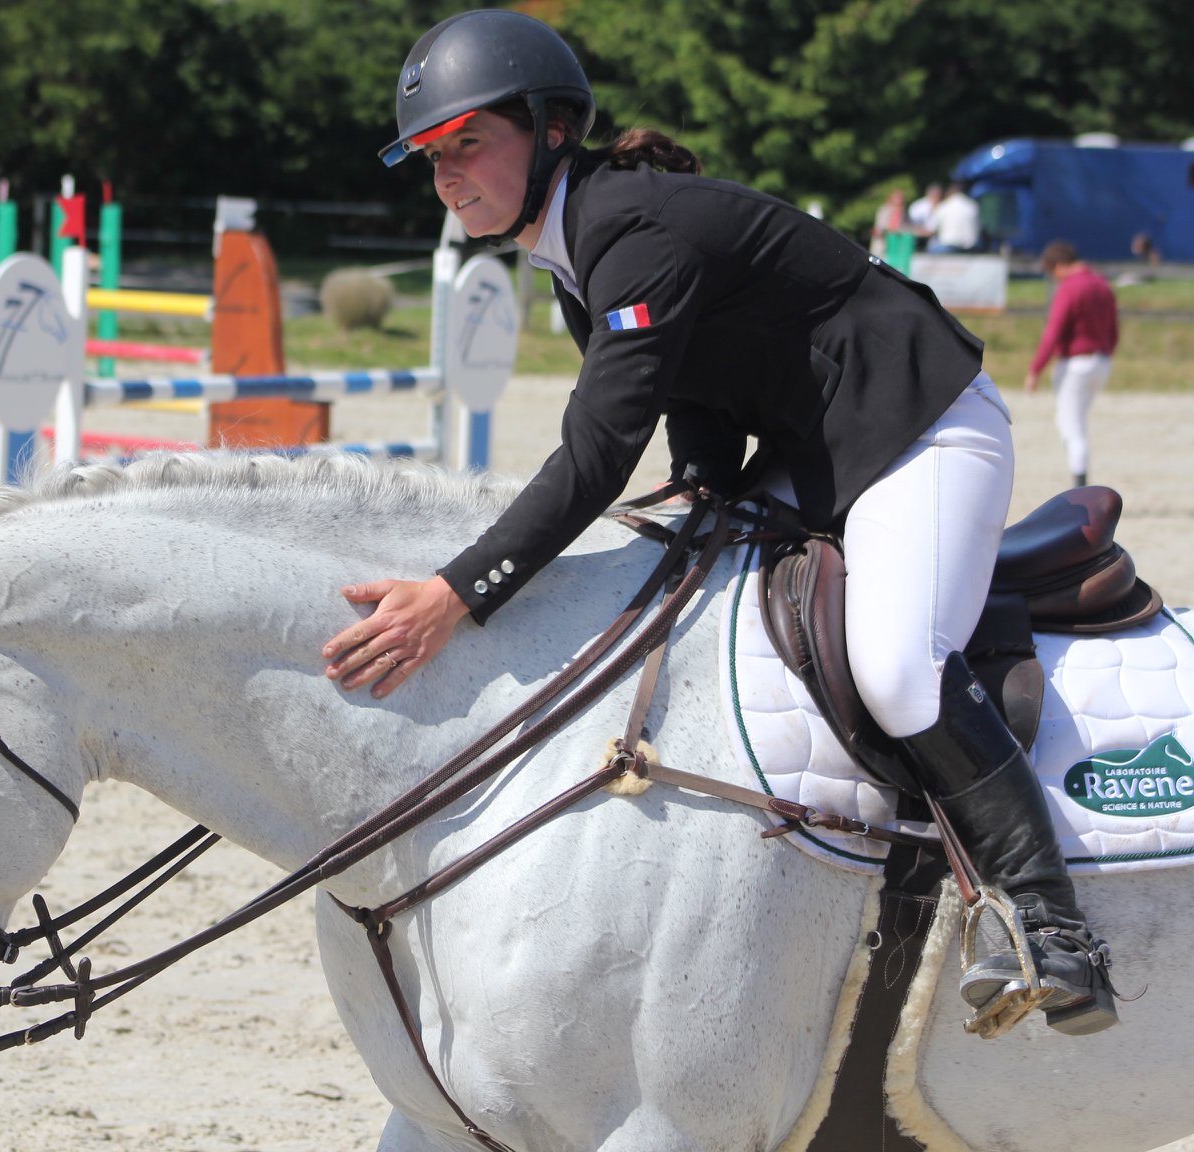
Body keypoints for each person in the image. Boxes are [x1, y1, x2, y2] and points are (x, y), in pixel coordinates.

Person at [324, 8, 1116, 1034]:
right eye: (431, 159)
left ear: (552, 128)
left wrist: (456, 591)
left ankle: (1052, 927)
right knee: (678, 582)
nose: (448, 175)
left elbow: (597, 455)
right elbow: (690, 397)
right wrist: (700, 486)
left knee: (895, 666)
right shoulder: (576, 251)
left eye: (468, 143)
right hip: (810, 449)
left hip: (918, 428)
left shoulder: (627, 230)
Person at [1027, 241, 1119, 487]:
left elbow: (1053, 331)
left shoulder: (1070, 288)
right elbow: (1114, 330)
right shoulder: (1102, 285)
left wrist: (1036, 369)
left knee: (1071, 426)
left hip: (1075, 364)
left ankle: (1080, 485)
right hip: (1101, 362)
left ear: (1059, 266)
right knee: (1076, 420)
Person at [927, 182, 981, 253]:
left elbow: (931, 229)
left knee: (930, 249)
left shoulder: (943, 206)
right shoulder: (973, 206)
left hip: (949, 247)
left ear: (949, 193)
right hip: (971, 247)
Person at [870, 188, 907, 257]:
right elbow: (880, 227)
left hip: (897, 245)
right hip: (883, 244)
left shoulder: (903, 212)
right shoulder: (884, 210)